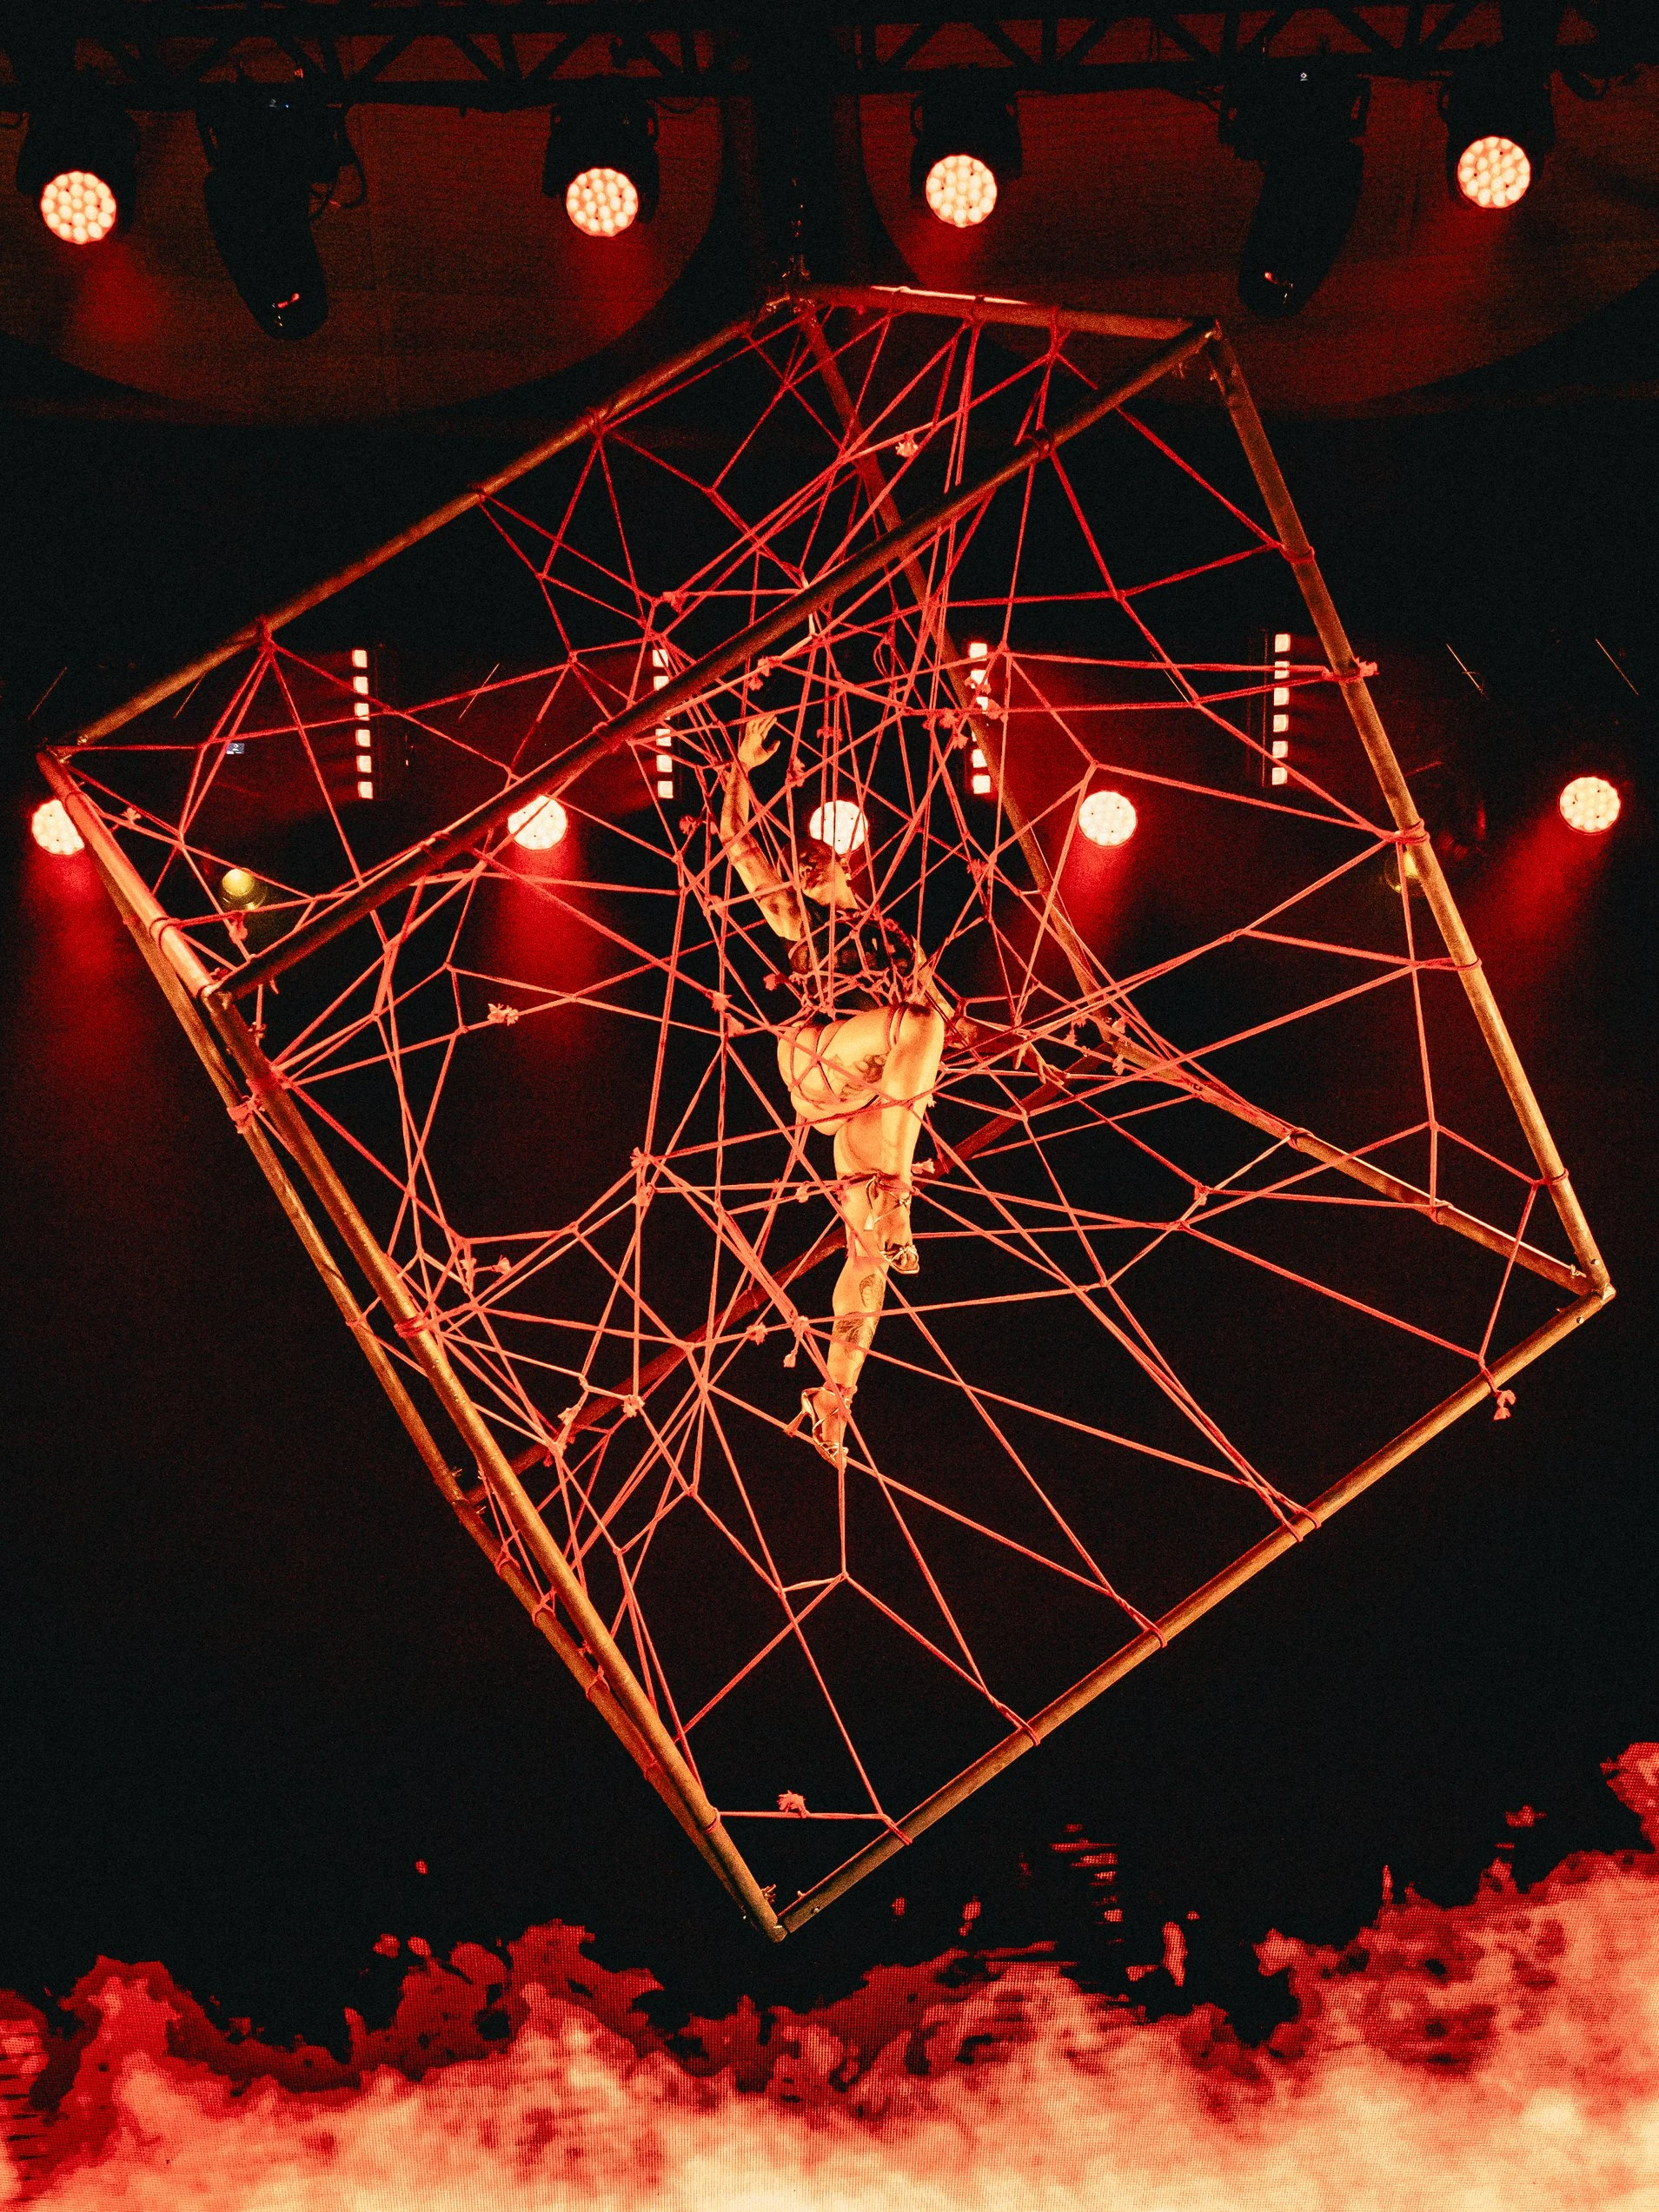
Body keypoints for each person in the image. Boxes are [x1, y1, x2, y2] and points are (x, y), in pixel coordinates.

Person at [720, 714, 947, 1469]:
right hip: (815, 1058)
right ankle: (900, 1191)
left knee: (868, 1260)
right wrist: (739, 771)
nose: (808, 869)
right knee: (916, 1025)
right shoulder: (793, 914)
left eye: (820, 859)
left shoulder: (892, 937)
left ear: (852, 862)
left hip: (864, 1100)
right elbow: (738, 847)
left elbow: (935, 1024)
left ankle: (834, 1395)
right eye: (804, 860)